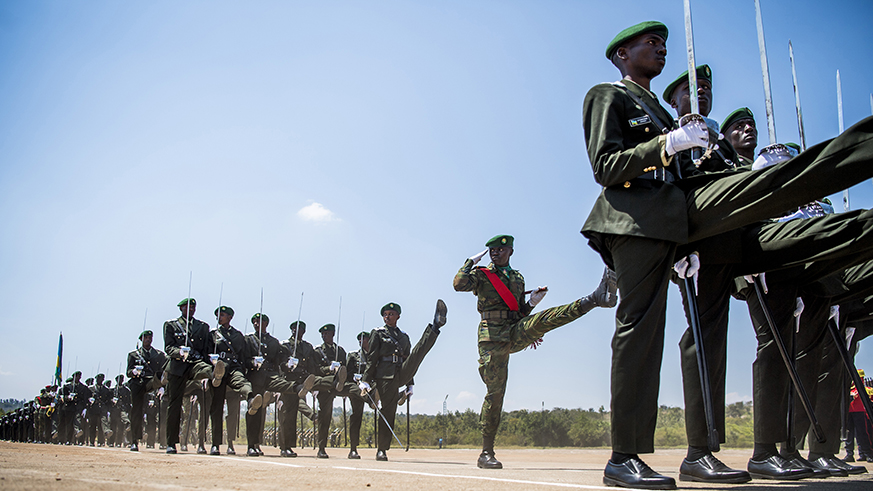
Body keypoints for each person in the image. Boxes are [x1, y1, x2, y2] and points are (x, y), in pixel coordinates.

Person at [582, 21, 873, 489]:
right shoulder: (607, 95)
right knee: (639, 333)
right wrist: (668, 143)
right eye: (650, 43)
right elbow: (606, 165)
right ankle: (624, 455)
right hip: (632, 222)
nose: (659, 49)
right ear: (621, 54)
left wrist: (688, 235)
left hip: (676, 225)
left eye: (663, 44)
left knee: (778, 188)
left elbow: (683, 183)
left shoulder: (660, 109)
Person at [454, 234, 617, 469]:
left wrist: (531, 304)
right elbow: (458, 284)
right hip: (491, 340)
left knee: (543, 320)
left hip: (513, 330)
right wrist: (470, 261)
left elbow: (519, 312)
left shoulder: (518, 278)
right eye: (491, 250)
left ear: (510, 251)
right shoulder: (481, 274)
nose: (495, 253)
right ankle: (486, 453)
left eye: (500, 250)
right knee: (495, 393)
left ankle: (594, 299)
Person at [361, 299, 446, 461]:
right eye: (385, 315)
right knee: (388, 411)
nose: (387, 317)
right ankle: (382, 449)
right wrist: (366, 380)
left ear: (398, 316)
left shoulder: (403, 337)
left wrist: (410, 383)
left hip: (401, 372)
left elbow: (408, 359)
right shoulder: (377, 333)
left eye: (391, 314)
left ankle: (435, 327)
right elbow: (372, 359)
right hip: (385, 376)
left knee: (417, 355)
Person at [162, 297, 219, 454]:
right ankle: (171, 443)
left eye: (193, 307)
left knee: (206, 370)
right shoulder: (171, 325)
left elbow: (206, 349)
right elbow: (168, 347)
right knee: (174, 405)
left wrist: (211, 361)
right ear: (181, 309)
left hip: (195, 364)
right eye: (188, 307)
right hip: (178, 366)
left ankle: (214, 374)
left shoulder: (202, 327)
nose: (191, 310)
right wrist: (179, 352)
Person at [207, 305, 262, 456]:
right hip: (218, 371)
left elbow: (243, 357)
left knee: (243, 387)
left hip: (234, 369)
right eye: (218, 315)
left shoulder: (238, 336)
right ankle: (215, 444)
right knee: (216, 408)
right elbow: (206, 353)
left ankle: (251, 399)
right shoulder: (212, 335)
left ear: (230, 317)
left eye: (223, 315)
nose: (220, 317)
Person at [278, 320, 320, 457]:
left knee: (293, 414)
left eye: (301, 330)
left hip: (303, 380)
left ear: (304, 331)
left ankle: (289, 445)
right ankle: (285, 446)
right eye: (295, 330)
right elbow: (280, 364)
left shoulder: (308, 347)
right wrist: (287, 364)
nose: (298, 332)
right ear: (292, 331)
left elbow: (311, 365)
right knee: (287, 414)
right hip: (289, 381)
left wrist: (313, 384)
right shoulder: (285, 346)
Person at [126, 330, 167, 451]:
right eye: (146, 338)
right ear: (141, 339)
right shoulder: (134, 355)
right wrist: (133, 372)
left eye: (150, 338)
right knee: (136, 411)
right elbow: (128, 372)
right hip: (138, 383)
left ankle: (162, 440)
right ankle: (134, 440)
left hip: (153, 382)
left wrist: (162, 386)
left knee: (161, 412)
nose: (148, 340)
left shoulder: (159, 355)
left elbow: (163, 372)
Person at [312, 323, 348, 458]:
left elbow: (346, 367)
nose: (324, 336)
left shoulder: (340, 351)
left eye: (327, 334)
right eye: (323, 334)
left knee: (354, 391)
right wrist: (329, 369)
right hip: (325, 386)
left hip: (339, 384)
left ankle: (341, 383)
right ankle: (321, 447)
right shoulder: (317, 351)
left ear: (333, 334)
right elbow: (315, 370)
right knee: (325, 416)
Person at [345, 331, 371, 459]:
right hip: (357, 389)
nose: (362, 342)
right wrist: (354, 377)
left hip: (371, 386)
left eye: (364, 340)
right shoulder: (353, 356)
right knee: (357, 416)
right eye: (360, 340)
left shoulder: (374, 356)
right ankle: (353, 448)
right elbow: (346, 374)